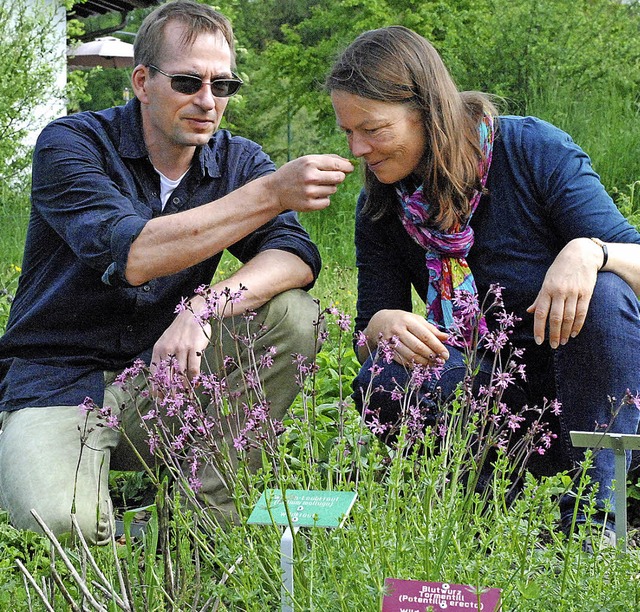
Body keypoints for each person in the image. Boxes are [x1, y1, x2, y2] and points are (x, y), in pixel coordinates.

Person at [0, 0, 353, 544]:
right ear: (142, 81)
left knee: (294, 315)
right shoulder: (70, 144)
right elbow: (133, 255)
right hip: (58, 380)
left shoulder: (237, 159)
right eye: (188, 82)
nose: (208, 102)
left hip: (162, 379)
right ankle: (94, 507)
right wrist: (272, 192)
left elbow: (294, 254)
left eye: (223, 85)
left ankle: (201, 516)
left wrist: (203, 305)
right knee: (64, 525)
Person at [326, 26, 640, 545]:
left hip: (586, 386)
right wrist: (384, 326)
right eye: (348, 133)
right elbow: (369, 328)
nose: (358, 148)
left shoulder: (530, 149)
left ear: (428, 110)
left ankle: (596, 515)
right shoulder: (382, 205)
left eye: (373, 130)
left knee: (605, 290)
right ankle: (488, 506)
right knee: (386, 377)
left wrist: (591, 251)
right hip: (492, 393)